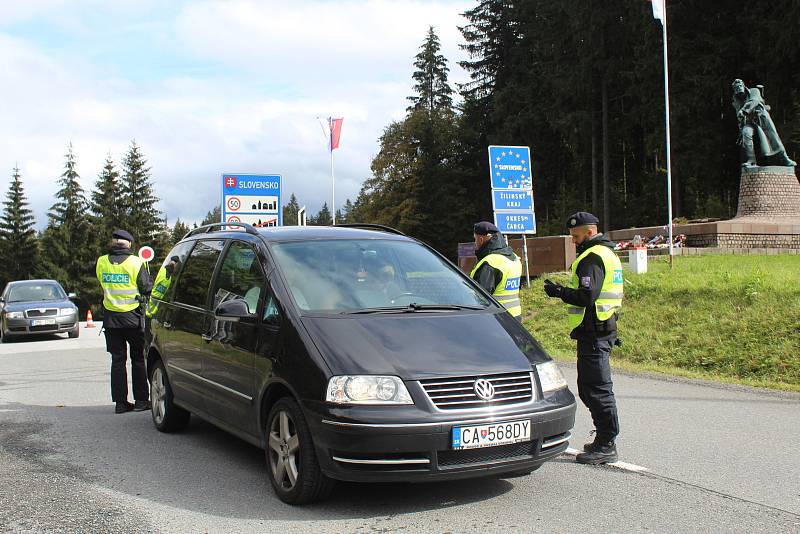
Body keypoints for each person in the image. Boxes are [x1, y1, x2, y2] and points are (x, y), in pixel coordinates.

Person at [542, 212, 623, 464]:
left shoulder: (593, 256)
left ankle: (606, 443)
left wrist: (559, 292)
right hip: (598, 330)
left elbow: (587, 296)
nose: (573, 241)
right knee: (590, 388)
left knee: (596, 389)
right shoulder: (606, 253)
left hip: (595, 332)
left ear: (589, 232)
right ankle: (603, 439)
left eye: (576, 236)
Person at [95, 229, 153, 414]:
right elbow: (146, 288)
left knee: (117, 360)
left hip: (111, 320)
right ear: (129, 244)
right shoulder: (136, 262)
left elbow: (102, 285)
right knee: (138, 359)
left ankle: (120, 403)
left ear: (113, 243)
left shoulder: (102, 261)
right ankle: (141, 401)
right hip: (133, 319)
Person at [731, 79, 796, 168]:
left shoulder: (754, 91)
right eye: (736, 88)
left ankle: (784, 158)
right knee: (746, 133)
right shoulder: (737, 101)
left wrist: (743, 110)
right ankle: (751, 160)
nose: (738, 88)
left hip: (761, 116)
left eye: (739, 86)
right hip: (750, 121)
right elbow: (739, 118)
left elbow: (754, 100)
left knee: (773, 136)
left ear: (743, 86)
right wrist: (740, 131)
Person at [470, 221, 523, 320]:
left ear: (481, 240)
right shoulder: (514, 257)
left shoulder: (491, 263)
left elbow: (480, 299)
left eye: (475, 239)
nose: (475, 243)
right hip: (515, 317)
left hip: (497, 319)